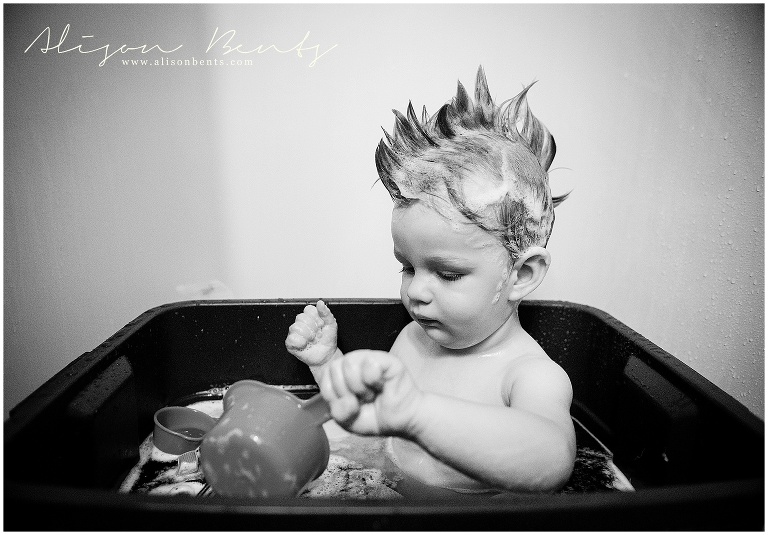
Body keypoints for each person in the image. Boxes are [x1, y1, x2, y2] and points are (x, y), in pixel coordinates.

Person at [285, 66, 575, 495]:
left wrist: (418, 412)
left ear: (521, 275)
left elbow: (551, 461)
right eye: (407, 267)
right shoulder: (415, 339)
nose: (416, 291)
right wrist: (327, 364)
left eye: (447, 274)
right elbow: (375, 418)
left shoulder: (529, 376)